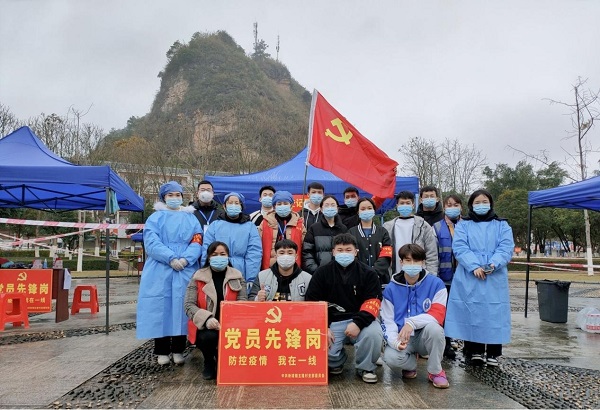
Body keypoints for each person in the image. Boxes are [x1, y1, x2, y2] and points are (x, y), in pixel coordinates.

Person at [444, 189, 514, 367]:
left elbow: (506, 247)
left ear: (490, 203)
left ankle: (493, 352)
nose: (481, 205)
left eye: (484, 202)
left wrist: (493, 264)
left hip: (494, 275)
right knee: (472, 312)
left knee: (494, 314)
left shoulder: (502, 225)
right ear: (471, 205)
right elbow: (460, 247)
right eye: (477, 202)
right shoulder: (464, 225)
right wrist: (474, 265)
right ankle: (474, 350)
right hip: (470, 275)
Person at [136, 181, 203, 366]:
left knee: (183, 307)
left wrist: (186, 259)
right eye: (170, 195)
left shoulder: (191, 218)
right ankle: (162, 350)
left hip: (185, 268)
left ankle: (178, 349)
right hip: (160, 268)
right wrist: (170, 258)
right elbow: (151, 242)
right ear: (163, 197)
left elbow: (197, 240)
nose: (174, 198)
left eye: (178, 195)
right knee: (161, 308)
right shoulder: (155, 218)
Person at [305, 233, 383, 384]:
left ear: (356, 252)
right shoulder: (321, 273)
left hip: (361, 320)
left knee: (373, 333)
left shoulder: (368, 273)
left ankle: (366, 367)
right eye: (340, 250)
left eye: (348, 250)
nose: (344, 253)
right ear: (333, 252)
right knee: (323, 353)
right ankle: (337, 360)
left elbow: (373, 302)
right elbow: (312, 302)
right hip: (333, 322)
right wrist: (323, 326)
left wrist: (358, 323)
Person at [381, 244, 450, 389]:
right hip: (402, 336)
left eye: (416, 261)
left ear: (423, 263)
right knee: (390, 357)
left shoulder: (437, 284)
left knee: (436, 330)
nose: (412, 264)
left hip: (425, 336)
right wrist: (395, 342)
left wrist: (411, 323)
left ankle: (435, 371)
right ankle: (410, 364)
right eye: (408, 260)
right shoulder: (390, 289)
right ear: (401, 262)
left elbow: (437, 314)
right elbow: (387, 321)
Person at [184, 241, 247, 380]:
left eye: (222, 254)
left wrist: (231, 320)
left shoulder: (237, 276)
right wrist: (207, 319)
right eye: (215, 254)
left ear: (228, 256)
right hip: (206, 325)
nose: (219, 257)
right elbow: (189, 305)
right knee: (208, 337)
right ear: (208, 257)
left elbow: (243, 301)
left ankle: (223, 359)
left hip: (231, 324)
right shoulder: (198, 277)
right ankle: (209, 361)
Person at [202, 192, 262, 291]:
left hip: (241, 270)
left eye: (236, 203)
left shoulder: (250, 227)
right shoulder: (215, 225)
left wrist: (251, 278)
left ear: (241, 206)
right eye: (230, 203)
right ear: (224, 206)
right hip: (217, 268)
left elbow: (254, 253)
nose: (233, 205)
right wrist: (205, 271)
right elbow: (207, 249)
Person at [432, 194, 464, 360]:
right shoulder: (437, 227)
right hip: (445, 278)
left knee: (464, 311)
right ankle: (446, 343)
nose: (452, 207)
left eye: (456, 204)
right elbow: (434, 254)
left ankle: (468, 345)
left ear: (461, 207)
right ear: (444, 207)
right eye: (449, 205)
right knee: (445, 312)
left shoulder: (467, 225)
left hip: (465, 278)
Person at [383, 191, 438, 275]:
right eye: (402, 203)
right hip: (395, 274)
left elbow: (432, 254)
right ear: (397, 206)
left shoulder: (423, 226)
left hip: (418, 274)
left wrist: (431, 276)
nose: (405, 205)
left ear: (413, 205)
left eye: (408, 203)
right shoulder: (387, 227)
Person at [348, 197, 392, 285]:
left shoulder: (382, 232)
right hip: (358, 278)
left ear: (374, 210)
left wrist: (374, 272)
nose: (366, 211)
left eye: (369, 208)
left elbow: (386, 255)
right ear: (358, 212)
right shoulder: (351, 232)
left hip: (380, 279)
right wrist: (363, 273)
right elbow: (350, 255)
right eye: (363, 209)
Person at [258, 190, 305, 270]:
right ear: (274, 206)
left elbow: (304, 247)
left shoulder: (299, 224)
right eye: (279, 204)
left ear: (291, 205)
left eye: (285, 203)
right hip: (270, 265)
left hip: (292, 264)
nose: (282, 206)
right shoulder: (265, 223)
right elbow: (258, 246)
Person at [302, 195, 348, 274]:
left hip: (340, 273)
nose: (330, 207)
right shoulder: (314, 228)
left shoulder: (343, 229)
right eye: (326, 205)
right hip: (319, 274)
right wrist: (316, 270)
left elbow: (348, 250)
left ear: (337, 209)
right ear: (321, 209)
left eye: (333, 205)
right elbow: (307, 252)